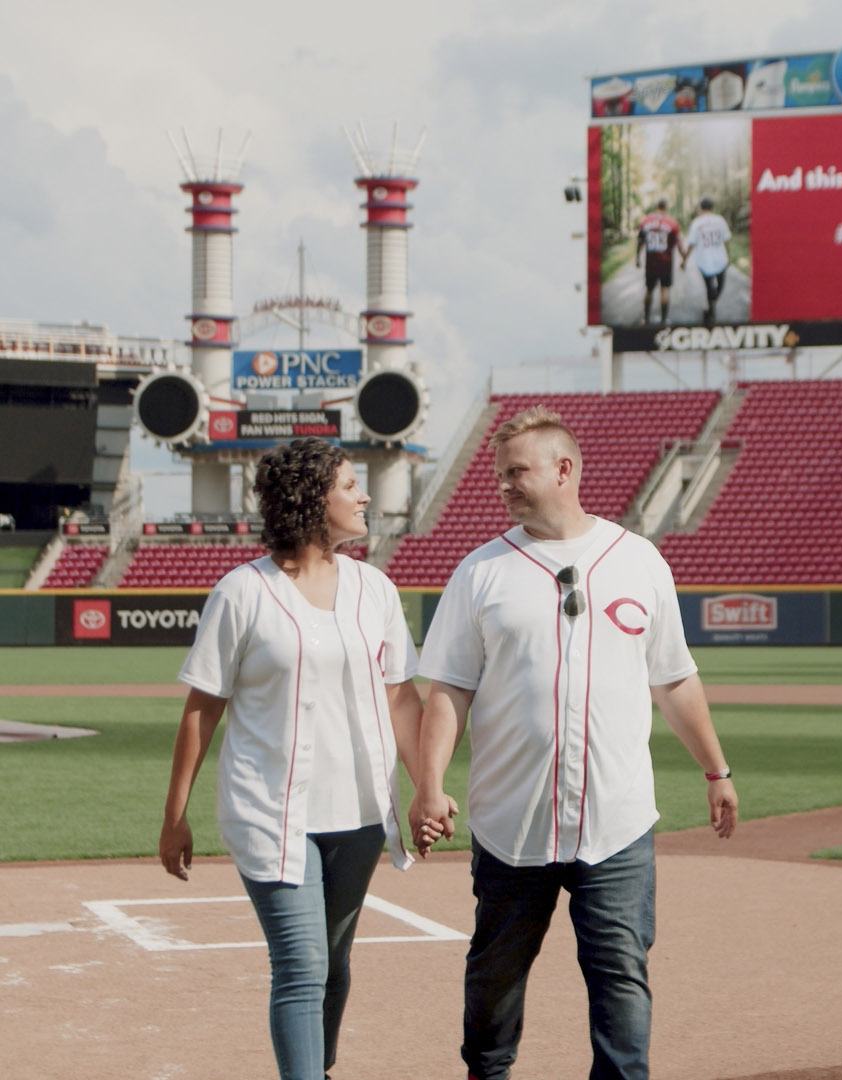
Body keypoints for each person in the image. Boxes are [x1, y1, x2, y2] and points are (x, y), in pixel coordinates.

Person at [409, 405, 738, 1080]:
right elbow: (448, 689)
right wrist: (428, 784)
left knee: (620, 973)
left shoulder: (638, 561)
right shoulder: (481, 571)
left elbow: (674, 679)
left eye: (518, 472)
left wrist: (716, 770)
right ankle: (486, 1072)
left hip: (615, 820)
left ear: (565, 470)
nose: (505, 485)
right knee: (495, 974)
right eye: (501, 475)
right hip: (511, 820)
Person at [159, 437, 449, 1080]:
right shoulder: (242, 592)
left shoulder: (374, 588)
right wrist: (175, 814)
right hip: (268, 809)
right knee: (300, 965)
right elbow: (202, 707)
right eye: (350, 485)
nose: (365, 494)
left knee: (334, 963)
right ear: (311, 499)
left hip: (359, 813)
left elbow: (402, 699)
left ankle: (320, 1068)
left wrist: (428, 786)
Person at [682, 197, 732, 328]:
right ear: (712, 206)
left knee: (709, 286)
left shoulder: (696, 223)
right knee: (720, 285)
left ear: (700, 207)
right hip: (720, 258)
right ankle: (711, 309)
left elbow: (691, 244)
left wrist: (684, 260)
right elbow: (726, 240)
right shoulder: (720, 220)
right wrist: (729, 256)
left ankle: (711, 305)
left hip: (704, 260)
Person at [634, 197, 683, 324]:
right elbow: (678, 244)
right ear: (666, 207)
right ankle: (664, 319)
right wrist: (684, 258)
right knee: (665, 290)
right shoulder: (672, 223)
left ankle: (646, 318)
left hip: (651, 262)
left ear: (656, 205)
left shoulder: (645, 221)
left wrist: (637, 257)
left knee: (649, 289)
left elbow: (640, 242)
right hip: (666, 262)